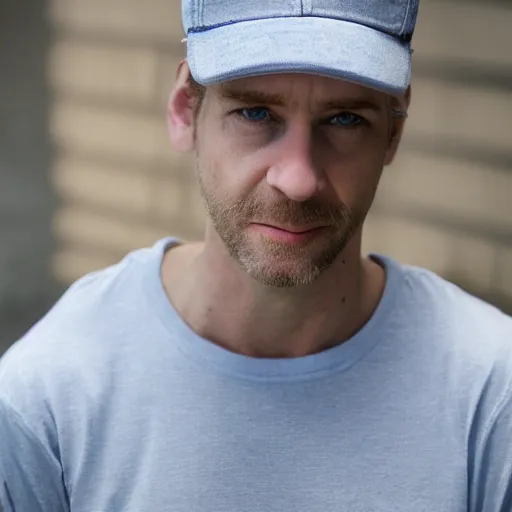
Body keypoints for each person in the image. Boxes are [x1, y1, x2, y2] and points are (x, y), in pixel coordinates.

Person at [1, 0, 511, 510]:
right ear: (185, 111)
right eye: (255, 112)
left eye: (345, 119)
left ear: (393, 133)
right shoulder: (48, 397)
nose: (297, 179)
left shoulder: (489, 392)